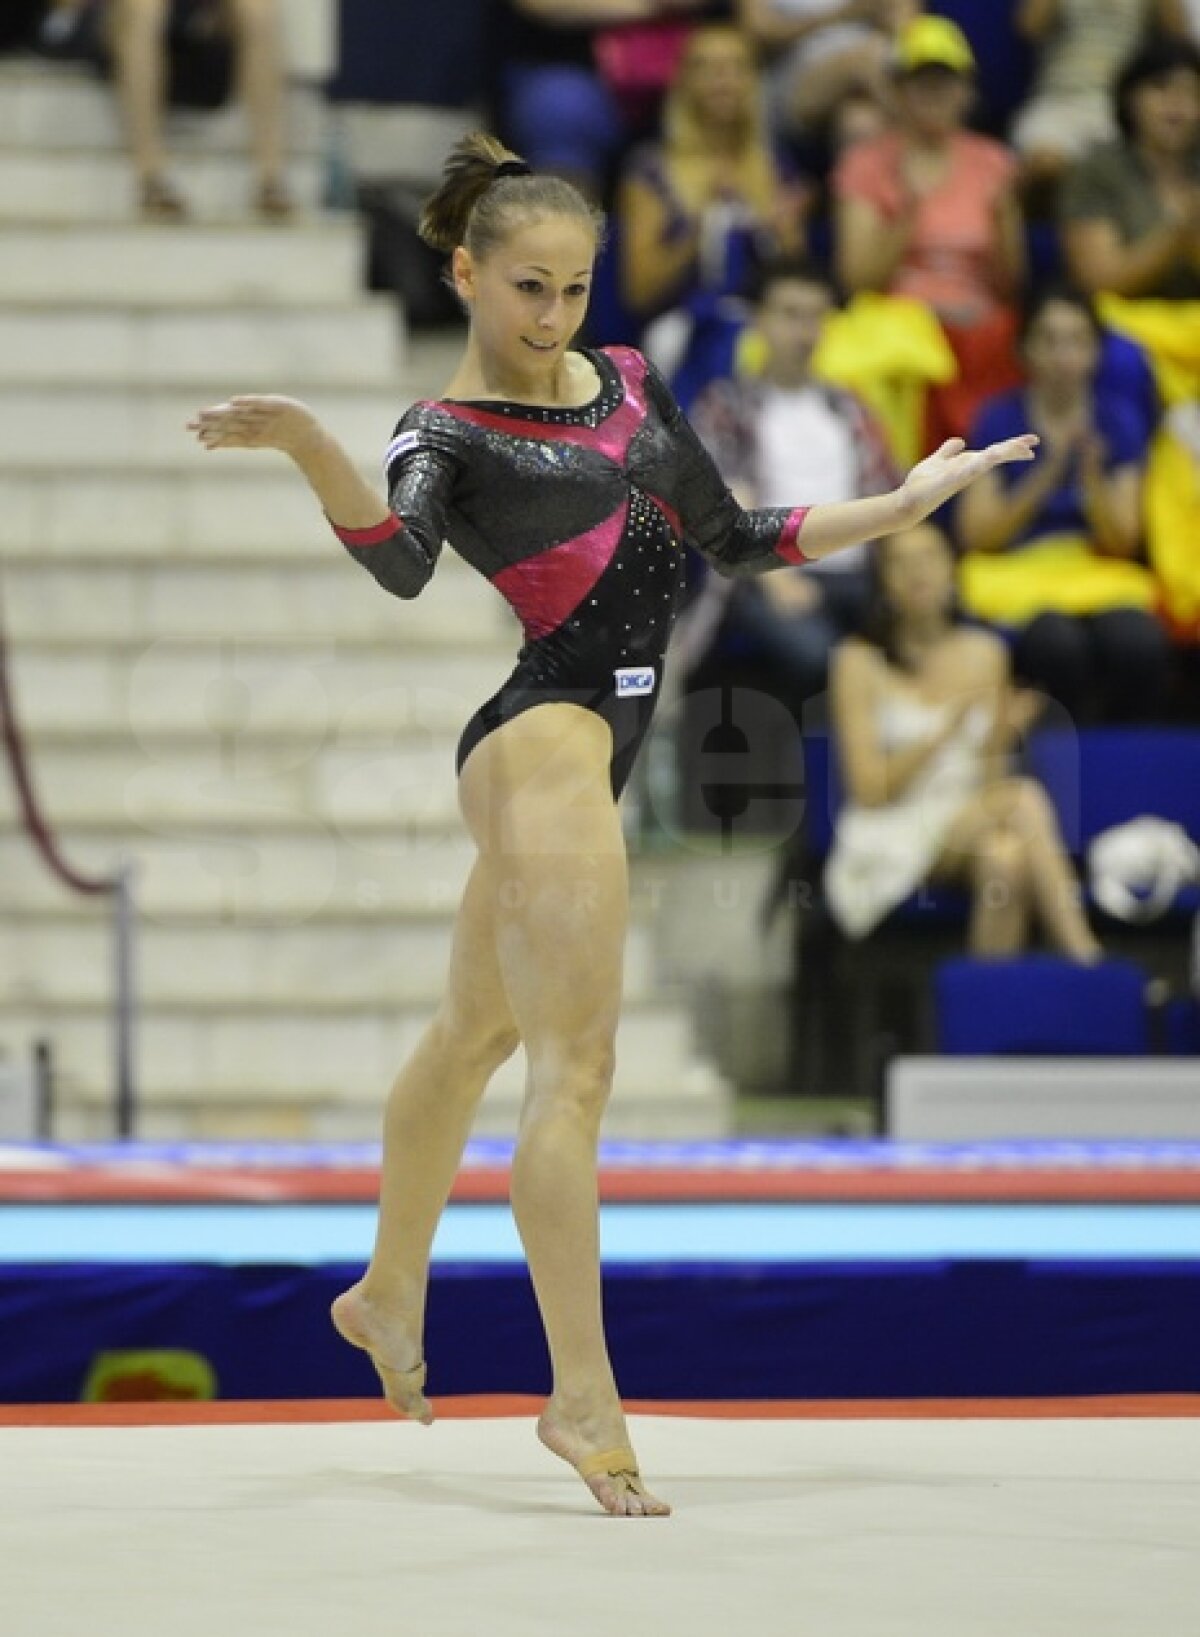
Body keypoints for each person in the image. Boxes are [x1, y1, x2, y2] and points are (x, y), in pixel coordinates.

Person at [188, 132, 1038, 1518]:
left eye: (576, 289)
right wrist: (307, 444)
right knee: (574, 1073)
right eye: (528, 288)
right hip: (546, 739)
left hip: (594, 729)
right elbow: (401, 568)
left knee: (474, 1032)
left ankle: (385, 1290)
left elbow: (735, 532)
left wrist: (900, 503)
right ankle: (581, 1397)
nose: (553, 318)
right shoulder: (444, 434)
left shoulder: (625, 381)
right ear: (465, 272)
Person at [826, 523, 1103, 959]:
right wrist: (944, 731)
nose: (918, 572)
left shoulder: (987, 652)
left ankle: (989, 1019)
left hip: (965, 818)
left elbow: (989, 782)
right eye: (901, 561)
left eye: (929, 557)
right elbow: (868, 789)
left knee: (1006, 859)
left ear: (953, 569)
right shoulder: (856, 660)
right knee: (1024, 799)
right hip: (890, 827)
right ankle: (1087, 960)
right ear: (883, 581)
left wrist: (1001, 737)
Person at [685, 253, 898, 707]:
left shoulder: (850, 407)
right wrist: (774, 578)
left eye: (816, 316)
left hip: (858, 575)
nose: (805, 331)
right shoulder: (727, 405)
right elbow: (716, 506)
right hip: (769, 574)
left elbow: (889, 494)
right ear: (760, 321)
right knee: (819, 658)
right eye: (790, 314)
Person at [956, 285, 1170, 724]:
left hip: (1096, 569)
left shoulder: (1118, 421)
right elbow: (978, 535)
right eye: (1049, 340)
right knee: (1056, 645)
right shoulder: (997, 418)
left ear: (1095, 352)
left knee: (1138, 642)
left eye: (1076, 340)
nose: (1063, 355)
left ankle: (1125, 760)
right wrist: (1047, 474)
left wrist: (1092, 476)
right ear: (1025, 349)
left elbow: (1124, 542)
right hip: (1020, 571)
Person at [834, 14, 1026, 445]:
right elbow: (857, 281)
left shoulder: (993, 161)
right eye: (921, 82)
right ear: (899, 90)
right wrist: (906, 216)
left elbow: (1011, 282)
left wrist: (1004, 221)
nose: (934, 94)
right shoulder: (867, 163)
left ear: (967, 91)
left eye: (947, 82)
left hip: (979, 325)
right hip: (899, 328)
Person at [616, 23, 811, 387]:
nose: (723, 79)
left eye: (737, 67)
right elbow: (639, 292)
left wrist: (783, 235)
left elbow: (797, 280)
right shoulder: (651, 170)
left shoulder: (776, 168)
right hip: (688, 328)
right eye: (708, 67)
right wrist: (698, 224)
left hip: (768, 327)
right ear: (684, 80)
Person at [40, 0, 293, 220]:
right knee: (145, 9)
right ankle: (150, 175)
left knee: (260, 10)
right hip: (113, 20)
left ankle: (270, 177)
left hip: (193, 24)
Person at [1060, 34, 1200, 299]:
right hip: (1122, 329)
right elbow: (1100, 282)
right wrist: (1178, 235)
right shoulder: (1097, 170)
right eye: (1161, 87)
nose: (1177, 104)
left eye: (1191, 92)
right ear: (1130, 97)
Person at [1011, 0, 1190, 192]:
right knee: (1045, 167)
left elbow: (1178, 39)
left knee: (1130, 176)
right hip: (1060, 100)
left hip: (1121, 107)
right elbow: (1029, 26)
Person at [734, 0, 919, 142]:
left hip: (872, 73)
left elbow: (906, 23)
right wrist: (842, 15)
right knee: (863, 60)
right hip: (797, 81)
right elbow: (760, 30)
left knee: (860, 124)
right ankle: (924, 138)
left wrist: (893, 21)